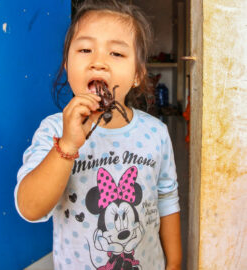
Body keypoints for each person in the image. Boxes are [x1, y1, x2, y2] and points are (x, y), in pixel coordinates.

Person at [14, 0, 182, 269]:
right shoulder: (54, 131)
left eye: (116, 53)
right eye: (85, 49)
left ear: (137, 74)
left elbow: (166, 197)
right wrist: (67, 145)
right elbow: (30, 208)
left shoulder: (156, 133)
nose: (98, 62)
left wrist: (174, 263)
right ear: (67, 65)